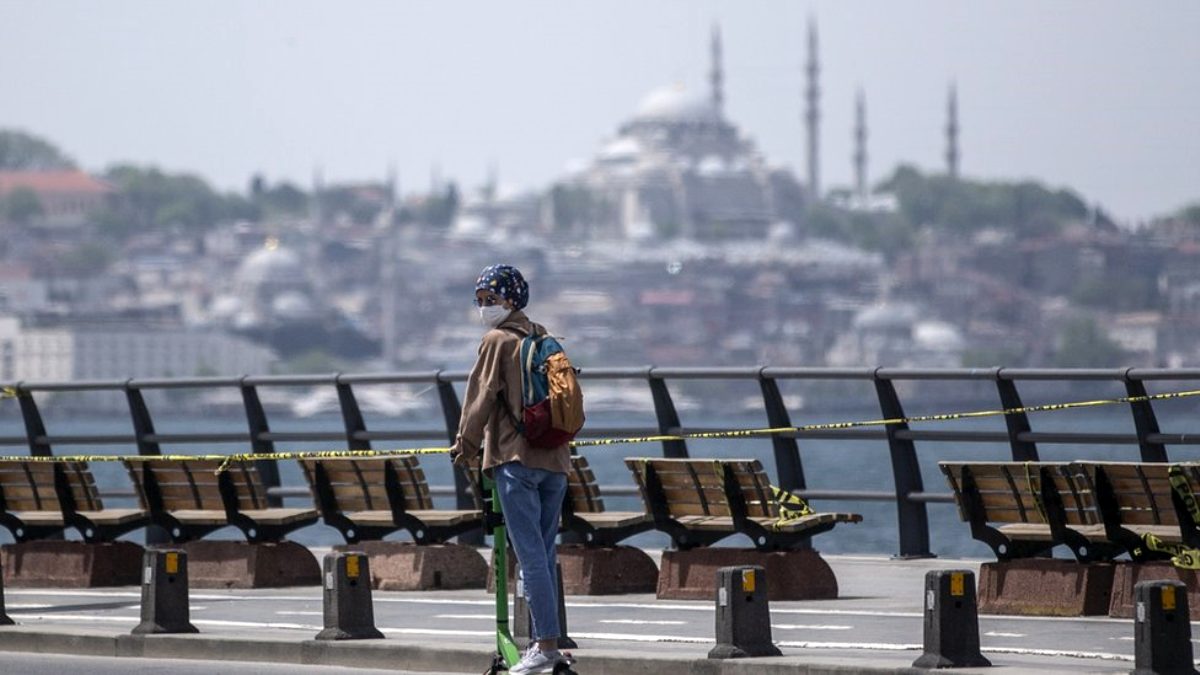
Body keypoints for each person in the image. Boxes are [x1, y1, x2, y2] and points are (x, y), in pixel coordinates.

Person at [449, 264, 573, 675]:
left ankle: (545, 646)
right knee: (543, 551)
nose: (485, 308)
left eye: (492, 300)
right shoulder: (544, 337)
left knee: (530, 556)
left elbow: (480, 398)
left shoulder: (497, 341)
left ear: (511, 300)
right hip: (555, 463)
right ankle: (547, 644)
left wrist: (466, 446)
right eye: (480, 301)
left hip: (514, 462)